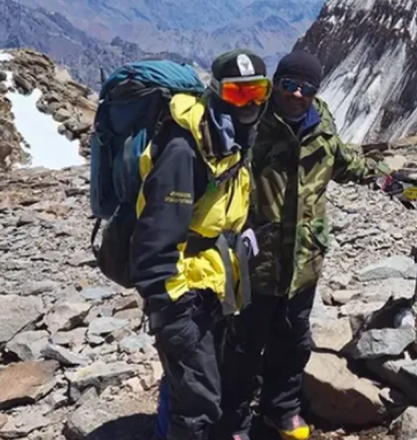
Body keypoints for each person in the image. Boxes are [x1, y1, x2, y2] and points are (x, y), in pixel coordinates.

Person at [217, 50, 393, 440]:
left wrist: (387, 179)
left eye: (306, 88)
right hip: (255, 261)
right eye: (288, 85)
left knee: (293, 341)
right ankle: (233, 422)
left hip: (304, 260)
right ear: (275, 83)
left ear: (316, 90)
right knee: (245, 345)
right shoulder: (252, 122)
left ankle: (281, 411)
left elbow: (343, 161)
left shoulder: (322, 123)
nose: (296, 94)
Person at [129, 49, 271, 440]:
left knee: (200, 384)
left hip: (211, 282)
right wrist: (174, 310)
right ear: (218, 92)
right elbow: (154, 244)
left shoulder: (227, 138)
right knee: (200, 400)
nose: (251, 104)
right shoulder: (185, 149)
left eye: (258, 91)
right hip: (183, 293)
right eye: (238, 94)